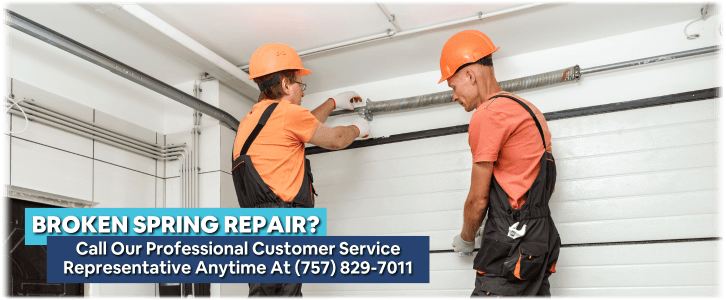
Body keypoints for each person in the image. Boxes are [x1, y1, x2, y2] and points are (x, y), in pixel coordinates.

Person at [231, 42, 369, 299]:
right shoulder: (287, 113)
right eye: (299, 85)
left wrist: (332, 103)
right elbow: (336, 139)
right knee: (286, 294)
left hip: (254, 225)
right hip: (283, 221)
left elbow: (304, 127)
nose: (302, 93)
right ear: (285, 85)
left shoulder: (251, 119)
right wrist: (358, 128)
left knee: (263, 293)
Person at [441, 30, 561, 298]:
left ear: (470, 75)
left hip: (512, 241)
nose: (454, 96)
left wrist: (466, 238)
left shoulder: (488, 115)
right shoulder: (526, 109)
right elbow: (542, 184)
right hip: (540, 237)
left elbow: (478, 199)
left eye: (453, 86)